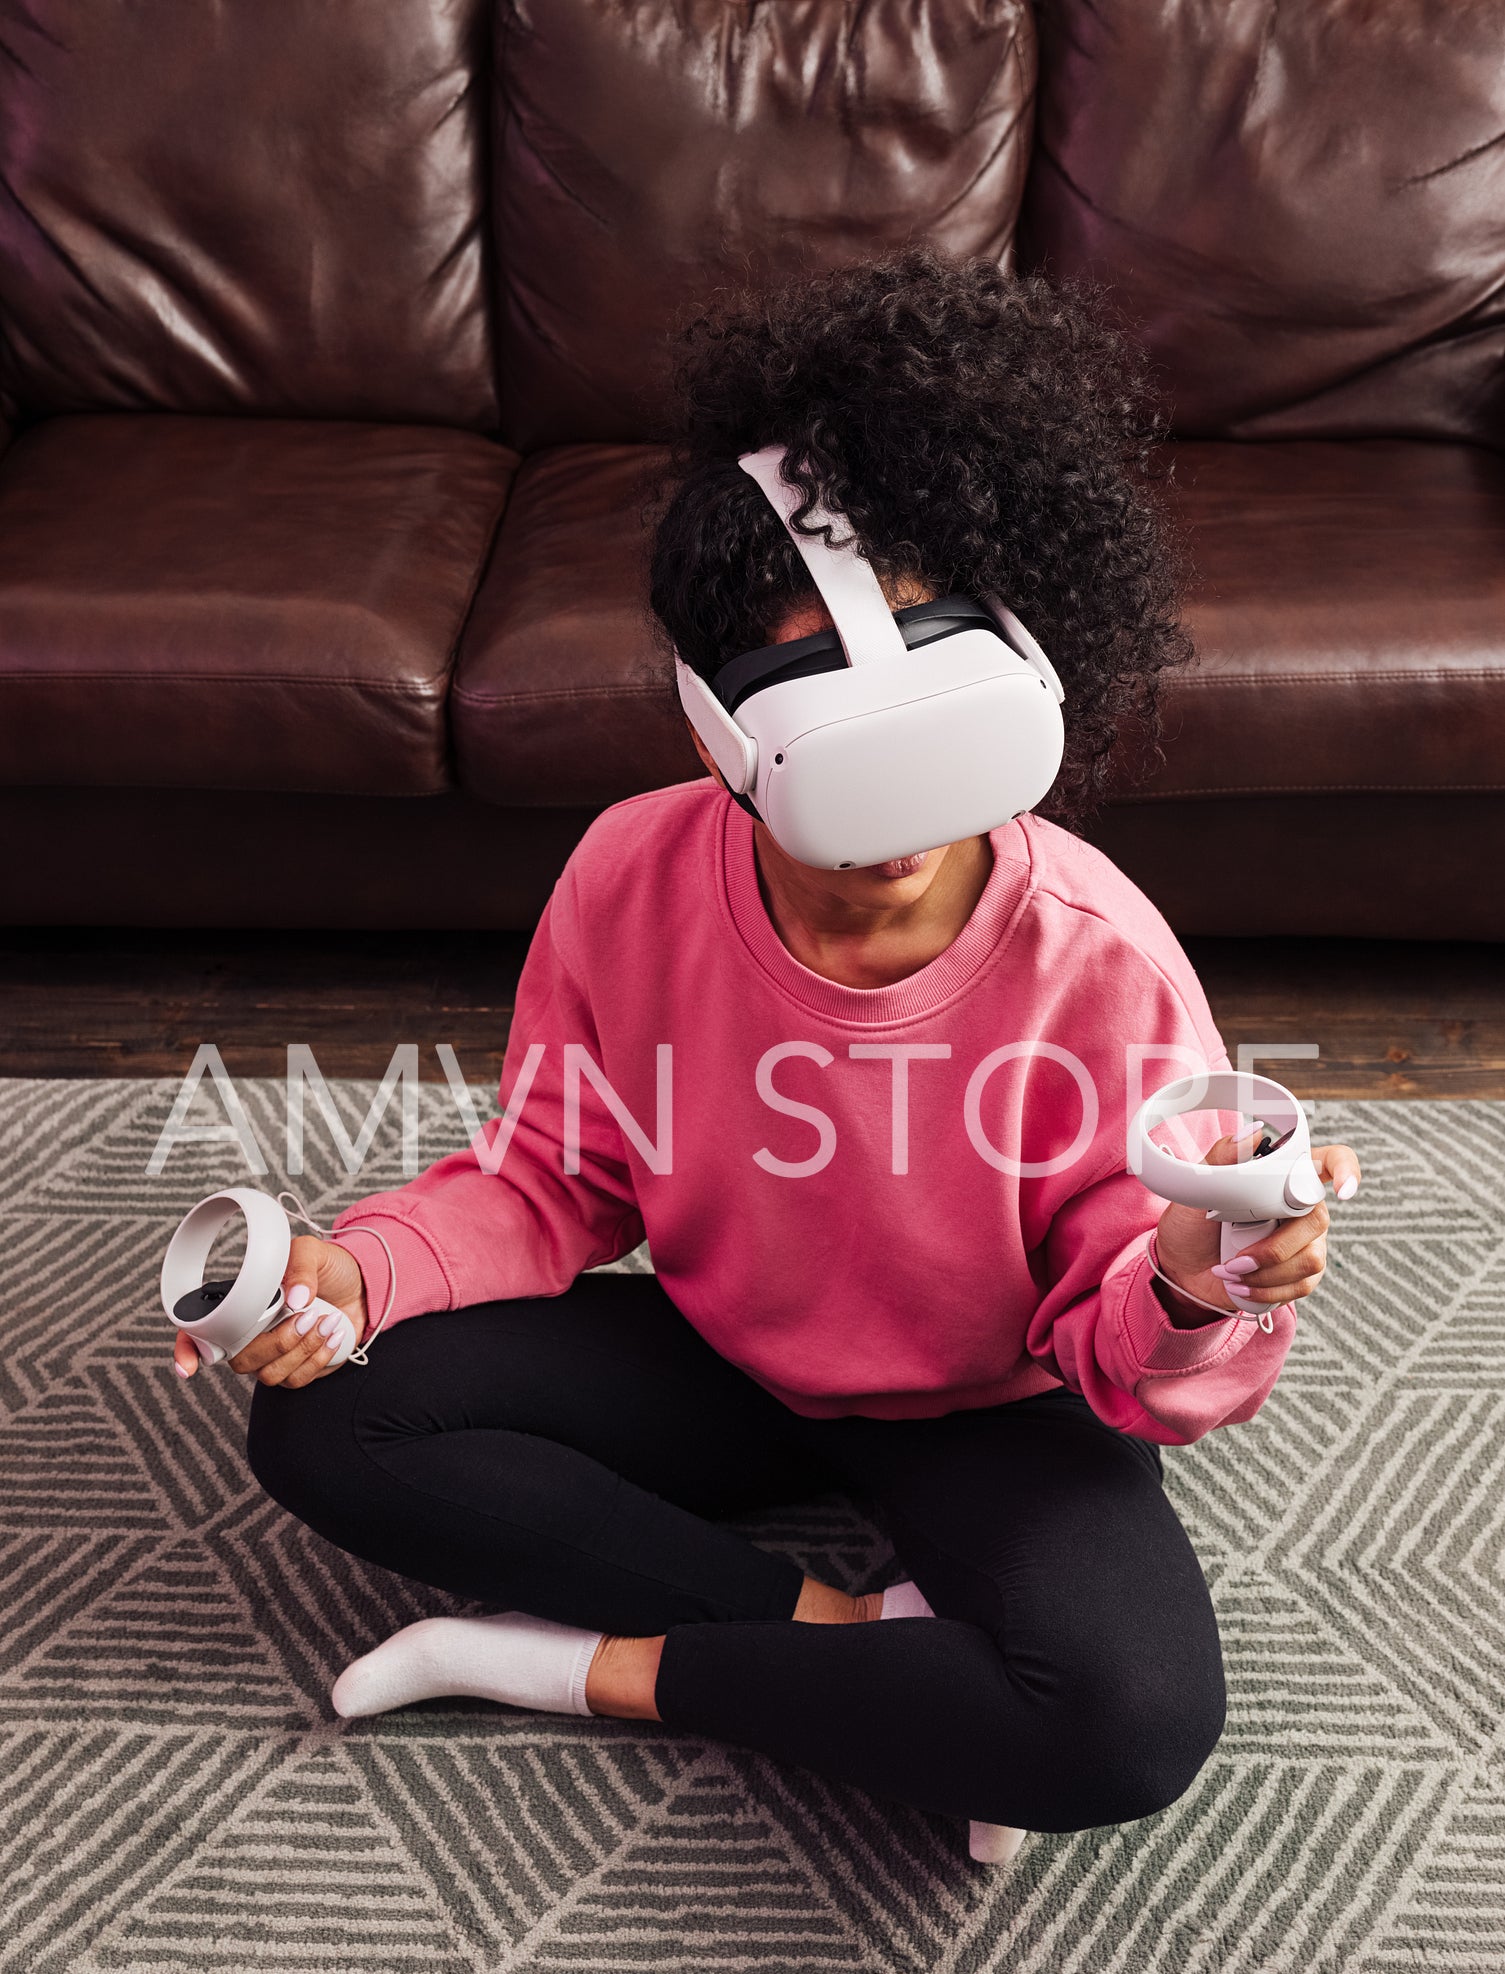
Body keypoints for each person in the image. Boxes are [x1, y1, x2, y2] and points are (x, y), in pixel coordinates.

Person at [179, 250, 1361, 1840]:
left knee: (1121, 1724)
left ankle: (582, 1666)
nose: (889, 815)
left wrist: (1189, 1275)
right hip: (729, 1352)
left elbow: (1131, 1372)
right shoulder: (628, 870)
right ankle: (838, 1639)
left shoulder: (1092, 954)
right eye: (812, 712)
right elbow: (549, 1177)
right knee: (326, 1415)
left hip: (992, 1397)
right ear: (710, 723)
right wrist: (363, 1269)